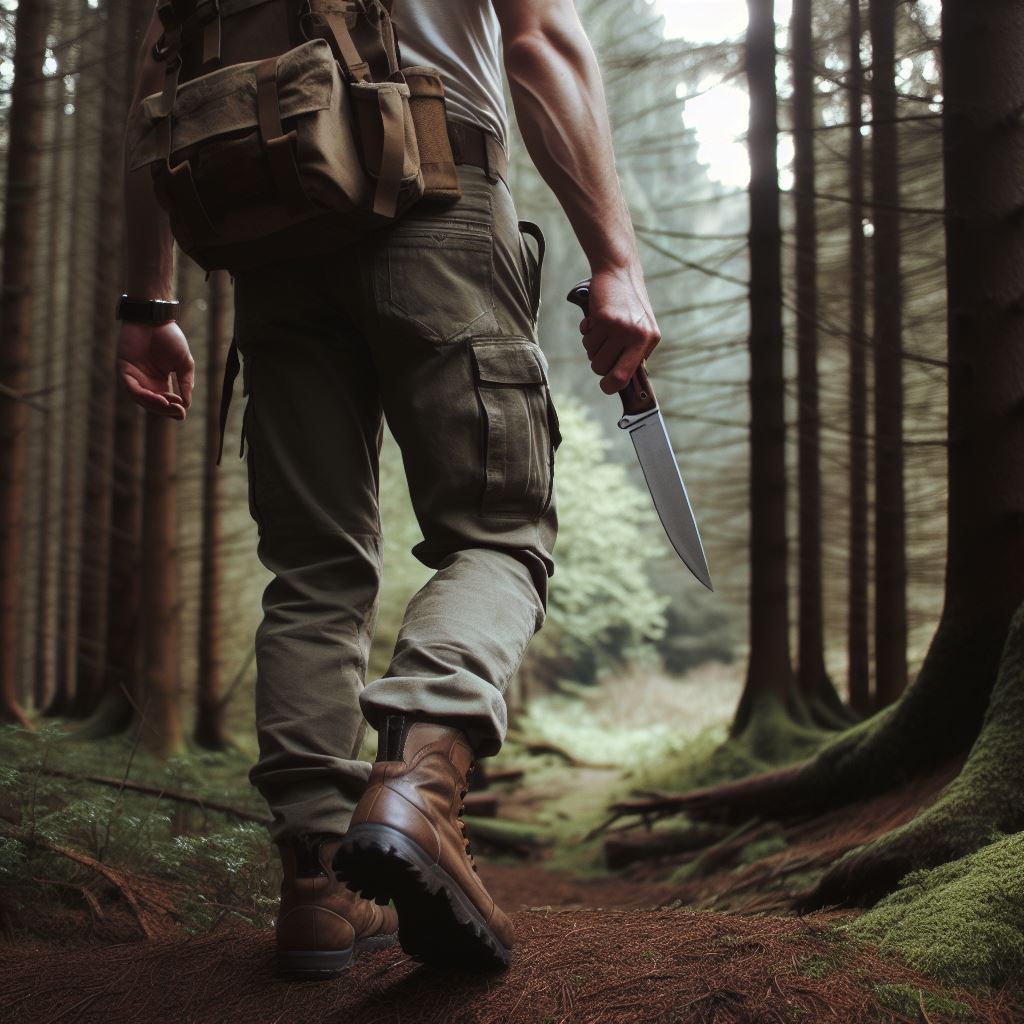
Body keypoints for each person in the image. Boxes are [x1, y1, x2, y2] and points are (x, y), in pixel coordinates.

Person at [118, 0, 661, 975]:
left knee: (312, 568)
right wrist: (615, 258)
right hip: (437, 200)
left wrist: (147, 302)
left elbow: (157, 87)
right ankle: (418, 785)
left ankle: (318, 889)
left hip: (272, 234)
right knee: (497, 533)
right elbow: (539, 39)